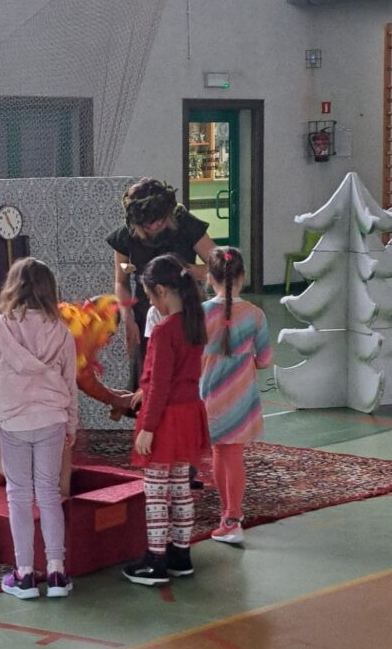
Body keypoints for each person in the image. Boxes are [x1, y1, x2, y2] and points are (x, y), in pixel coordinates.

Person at [0, 294, 130, 538]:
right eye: (109, 334)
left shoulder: (66, 341)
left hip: (23, 409)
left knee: (53, 442)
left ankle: (51, 511)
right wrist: (26, 481)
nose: (107, 341)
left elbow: (82, 378)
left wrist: (116, 398)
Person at [0, 258, 78, 600]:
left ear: (12, 287)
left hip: (13, 423)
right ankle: (57, 572)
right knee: (49, 494)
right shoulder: (61, 331)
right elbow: (70, 383)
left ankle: (24, 576)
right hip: (52, 419)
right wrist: (71, 424)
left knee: (18, 496)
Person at [124, 254, 210, 585]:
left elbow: (160, 385)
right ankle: (180, 555)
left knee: (156, 491)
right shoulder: (194, 323)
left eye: (150, 297)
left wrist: (147, 428)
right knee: (180, 487)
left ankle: (156, 560)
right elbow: (177, 376)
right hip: (189, 413)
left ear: (161, 290)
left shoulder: (163, 331)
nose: (151, 304)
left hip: (165, 418)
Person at [106, 178, 214, 390]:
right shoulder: (126, 236)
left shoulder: (185, 224)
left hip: (188, 314)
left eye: (161, 221)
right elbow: (121, 281)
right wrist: (127, 317)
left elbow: (221, 265)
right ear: (137, 224)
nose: (156, 226)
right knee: (150, 381)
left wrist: (189, 271)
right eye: (149, 225)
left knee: (187, 380)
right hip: (146, 317)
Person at [200, 246, 272, 547]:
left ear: (209, 277)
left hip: (210, 396)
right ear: (242, 276)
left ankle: (228, 518)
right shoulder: (255, 314)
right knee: (233, 455)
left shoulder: (201, 314)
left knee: (219, 451)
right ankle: (232, 517)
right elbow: (265, 360)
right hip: (242, 398)